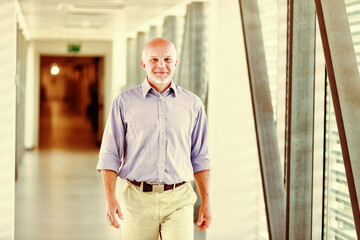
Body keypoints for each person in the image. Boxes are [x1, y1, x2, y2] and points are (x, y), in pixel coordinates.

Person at [97, 37, 211, 240]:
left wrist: (206, 202)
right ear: (143, 64)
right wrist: (110, 199)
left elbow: (200, 157)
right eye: (154, 60)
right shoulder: (124, 103)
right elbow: (109, 155)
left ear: (175, 63)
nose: (161, 66)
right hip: (136, 200)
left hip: (179, 199)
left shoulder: (192, 105)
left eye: (167, 59)